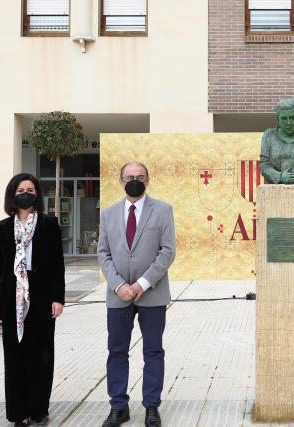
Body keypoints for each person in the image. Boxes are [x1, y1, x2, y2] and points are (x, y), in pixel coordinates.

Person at [98, 162, 176, 427]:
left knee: (153, 351)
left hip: (151, 294)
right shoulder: (108, 214)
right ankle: (118, 406)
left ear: (148, 180)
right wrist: (119, 285)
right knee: (116, 351)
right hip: (117, 295)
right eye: (129, 177)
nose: (135, 180)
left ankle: (151, 406)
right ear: (120, 181)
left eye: (140, 177)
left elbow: (167, 252)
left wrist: (142, 284)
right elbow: (103, 253)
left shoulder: (163, 210)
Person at [0, 173, 66, 426]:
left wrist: (58, 297)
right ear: (13, 194)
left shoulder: (48, 224)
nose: (25, 193)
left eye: (30, 189)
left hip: (42, 295)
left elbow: (57, 264)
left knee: (42, 354)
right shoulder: (2, 227)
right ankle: (18, 412)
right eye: (21, 189)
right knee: (14, 356)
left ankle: (38, 409)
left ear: (37, 195)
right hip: (11, 296)